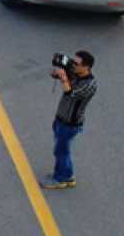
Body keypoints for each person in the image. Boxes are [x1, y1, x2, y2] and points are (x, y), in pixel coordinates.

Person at [41, 51, 97, 189]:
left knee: (61, 151)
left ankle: (61, 178)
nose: (72, 66)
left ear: (86, 67)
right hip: (61, 119)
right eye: (72, 61)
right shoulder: (75, 74)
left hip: (70, 123)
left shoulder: (89, 85)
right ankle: (67, 174)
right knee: (61, 150)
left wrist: (63, 76)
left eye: (76, 64)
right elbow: (56, 75)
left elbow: (69, 93)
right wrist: (58, 72)